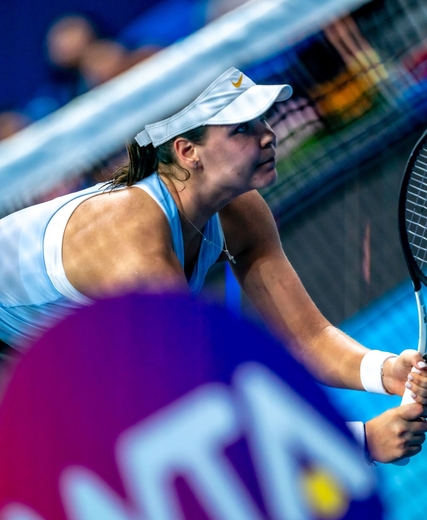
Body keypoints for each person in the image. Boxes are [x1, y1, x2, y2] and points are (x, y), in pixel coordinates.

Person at [0, 67, 426, 464]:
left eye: (262, 120)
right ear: (188, 152)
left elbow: (308, 337)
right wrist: (360, 441)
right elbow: (205, 406)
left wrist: (385, 370)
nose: (268, 135)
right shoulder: (133, 241)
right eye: (242, 129)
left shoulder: (240, 211)